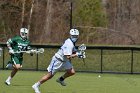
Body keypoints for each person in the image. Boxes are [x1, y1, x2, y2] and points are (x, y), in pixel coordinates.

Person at [32, 29, 85, 93]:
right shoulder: (69, 44)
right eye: (73, 36)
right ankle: (36, 85)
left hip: (64, 61)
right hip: (57, 60)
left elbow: (73, 52)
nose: (75, 37)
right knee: (49, 76)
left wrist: (79, 54)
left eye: (76, 36)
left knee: (72, 72)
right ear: (70, 35)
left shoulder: (72, 42)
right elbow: (68, 56)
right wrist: (77, 54)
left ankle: (60, 79)